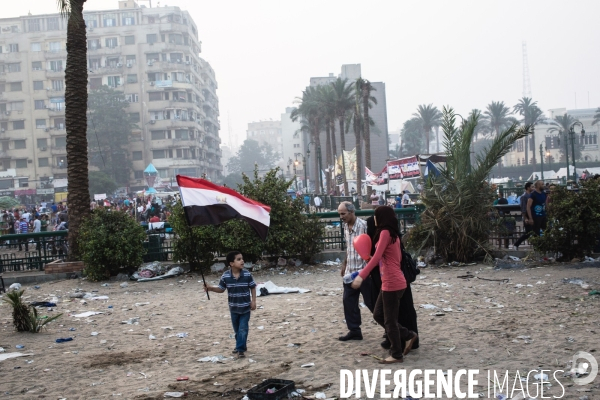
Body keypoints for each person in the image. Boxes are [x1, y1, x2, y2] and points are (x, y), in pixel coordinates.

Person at [352, 206, 418, 363]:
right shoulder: (393, 234)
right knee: (378, 314)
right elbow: (384, 258)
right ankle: (408, 335)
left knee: (389, 320)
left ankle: (396, 354)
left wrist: (362, 275)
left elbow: (377, 257)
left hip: (392, 282)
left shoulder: (385, 233)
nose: (374, 219)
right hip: (393, 280)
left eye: (375, 215)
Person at [204, 251, 257, 358]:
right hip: (233, 308)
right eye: (238, 259)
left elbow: (252, 287)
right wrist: (210, 288)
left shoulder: (247, 274)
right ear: (231, 263)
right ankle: (241, 345)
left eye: (242, 258)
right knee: (237, 330)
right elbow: (221, 289)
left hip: (245, 308)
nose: (242, 261)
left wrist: (254, 301)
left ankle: (240, 350)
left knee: (243, 328)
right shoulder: (225, 276)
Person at [337, 201, 374, 341]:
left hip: (363, 271)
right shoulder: (346, 227)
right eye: (339, 214)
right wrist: (344, 264)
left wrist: (369, 269)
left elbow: (371, 248)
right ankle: (354, 330)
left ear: (352, 212)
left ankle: (389, 327)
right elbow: (349, 247)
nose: (341, 217)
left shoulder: (364, 226)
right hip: (350, 270)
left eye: (343, 214)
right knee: (349, 302)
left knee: (371, 302)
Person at [513, 182, 534, 250]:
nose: (533, 188)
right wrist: (525, 218)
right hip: (527, 216)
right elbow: (523, 208)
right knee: (528, 232)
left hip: (532, 215)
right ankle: (516, 244)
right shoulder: (524, 196)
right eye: (532, 187)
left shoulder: (531, 195)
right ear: (528, 188)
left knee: (532, 232)